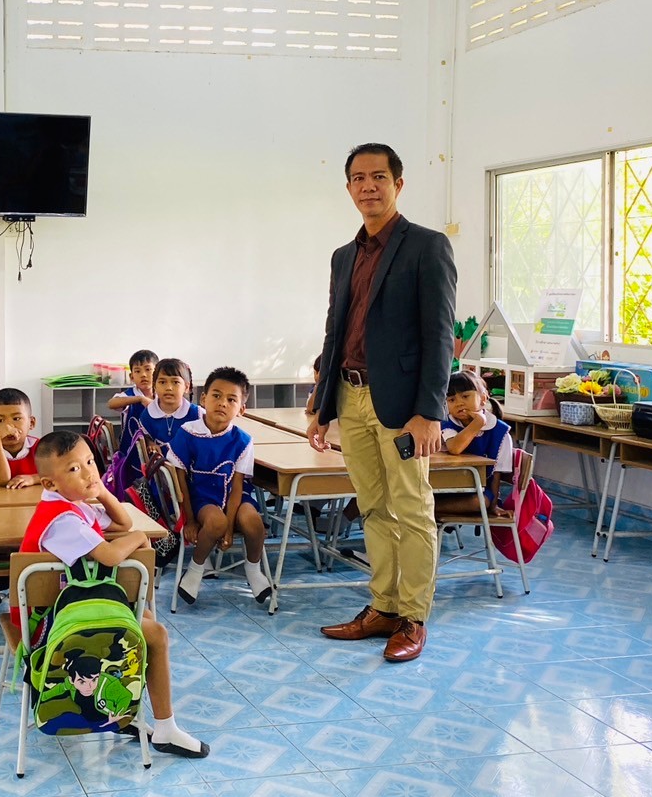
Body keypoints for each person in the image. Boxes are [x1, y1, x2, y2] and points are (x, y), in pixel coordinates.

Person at [308, 143, 457, 663]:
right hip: (350, 397)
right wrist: (322, 403)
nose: (368, 186)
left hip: (402, 406)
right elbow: (335, 333)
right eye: (358, 178)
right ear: (349, 187)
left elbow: (440, 336)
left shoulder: (427, 246)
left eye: (378, 176)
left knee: (412, 509)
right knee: (372, 507)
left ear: (398, 184)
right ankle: (384, 607)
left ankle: (413, 618)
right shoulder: (344, 256)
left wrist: (429, 412)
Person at [16, 431, 208, 758]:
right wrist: (139, 537)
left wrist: (102, 491)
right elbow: (109, 555)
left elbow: (121, 521)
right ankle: (165, 728)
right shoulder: (63, 521)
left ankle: (120, 712)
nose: (88, 472)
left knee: (146, 621)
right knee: (156, 634)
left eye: (90, 462)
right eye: (74, 469)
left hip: (71, 612)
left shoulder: (71, 505)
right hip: (48, 628)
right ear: (49, 483)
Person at [168, 367, 272, 606]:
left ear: (241, 409)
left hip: (235, 497)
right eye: (216, 395)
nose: (223, 403)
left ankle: (253, 570)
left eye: (231, 399)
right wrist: (190, 520)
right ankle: (195, 570)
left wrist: (230, 529)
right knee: (216, 522)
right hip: (202, 497)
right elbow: (179, 479)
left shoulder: (243, 441)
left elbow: (237, 487)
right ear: (204, 398)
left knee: (254, 522)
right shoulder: (188, 433)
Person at [119, 358, 200, 490]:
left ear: (187, 387)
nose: (168, 388)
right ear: (155, 386)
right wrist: (150, 442)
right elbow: (144, 436)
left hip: (192, 474)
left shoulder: (198, 414)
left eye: (175, 382)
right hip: (161, 477)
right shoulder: (148, 414)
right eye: (162, 382)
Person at [438, 370, 513, 513]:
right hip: (447, 485)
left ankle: (430, 510)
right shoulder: (447, 423)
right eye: (451, 400)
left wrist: (494, 505)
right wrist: (477, 424)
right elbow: (455, 446)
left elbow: (496, 474)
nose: (459, 403)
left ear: (483, 398)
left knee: (480, 502)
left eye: (465, 396)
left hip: (479, 490)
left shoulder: (500, 432)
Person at [0, 388, 41, 488]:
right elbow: (2, 480)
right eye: (0, 420)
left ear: (31, 423)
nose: (8, 427)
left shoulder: (41, 447)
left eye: (16, 419)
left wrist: (33, 478)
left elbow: (59, 475)